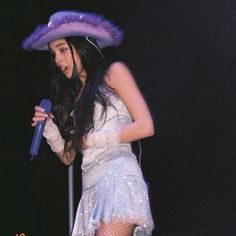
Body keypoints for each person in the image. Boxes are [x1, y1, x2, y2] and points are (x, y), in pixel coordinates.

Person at [22, 10, 155, 236]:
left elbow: (145, 126)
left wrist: (90, 139)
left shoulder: (114, 72)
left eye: (63, 50)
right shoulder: (77, 97)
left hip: (118, 181)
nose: (57, 60)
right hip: (91, 191)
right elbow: (68, 157)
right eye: (53, 54)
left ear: (83, 46)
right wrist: (52, 130)